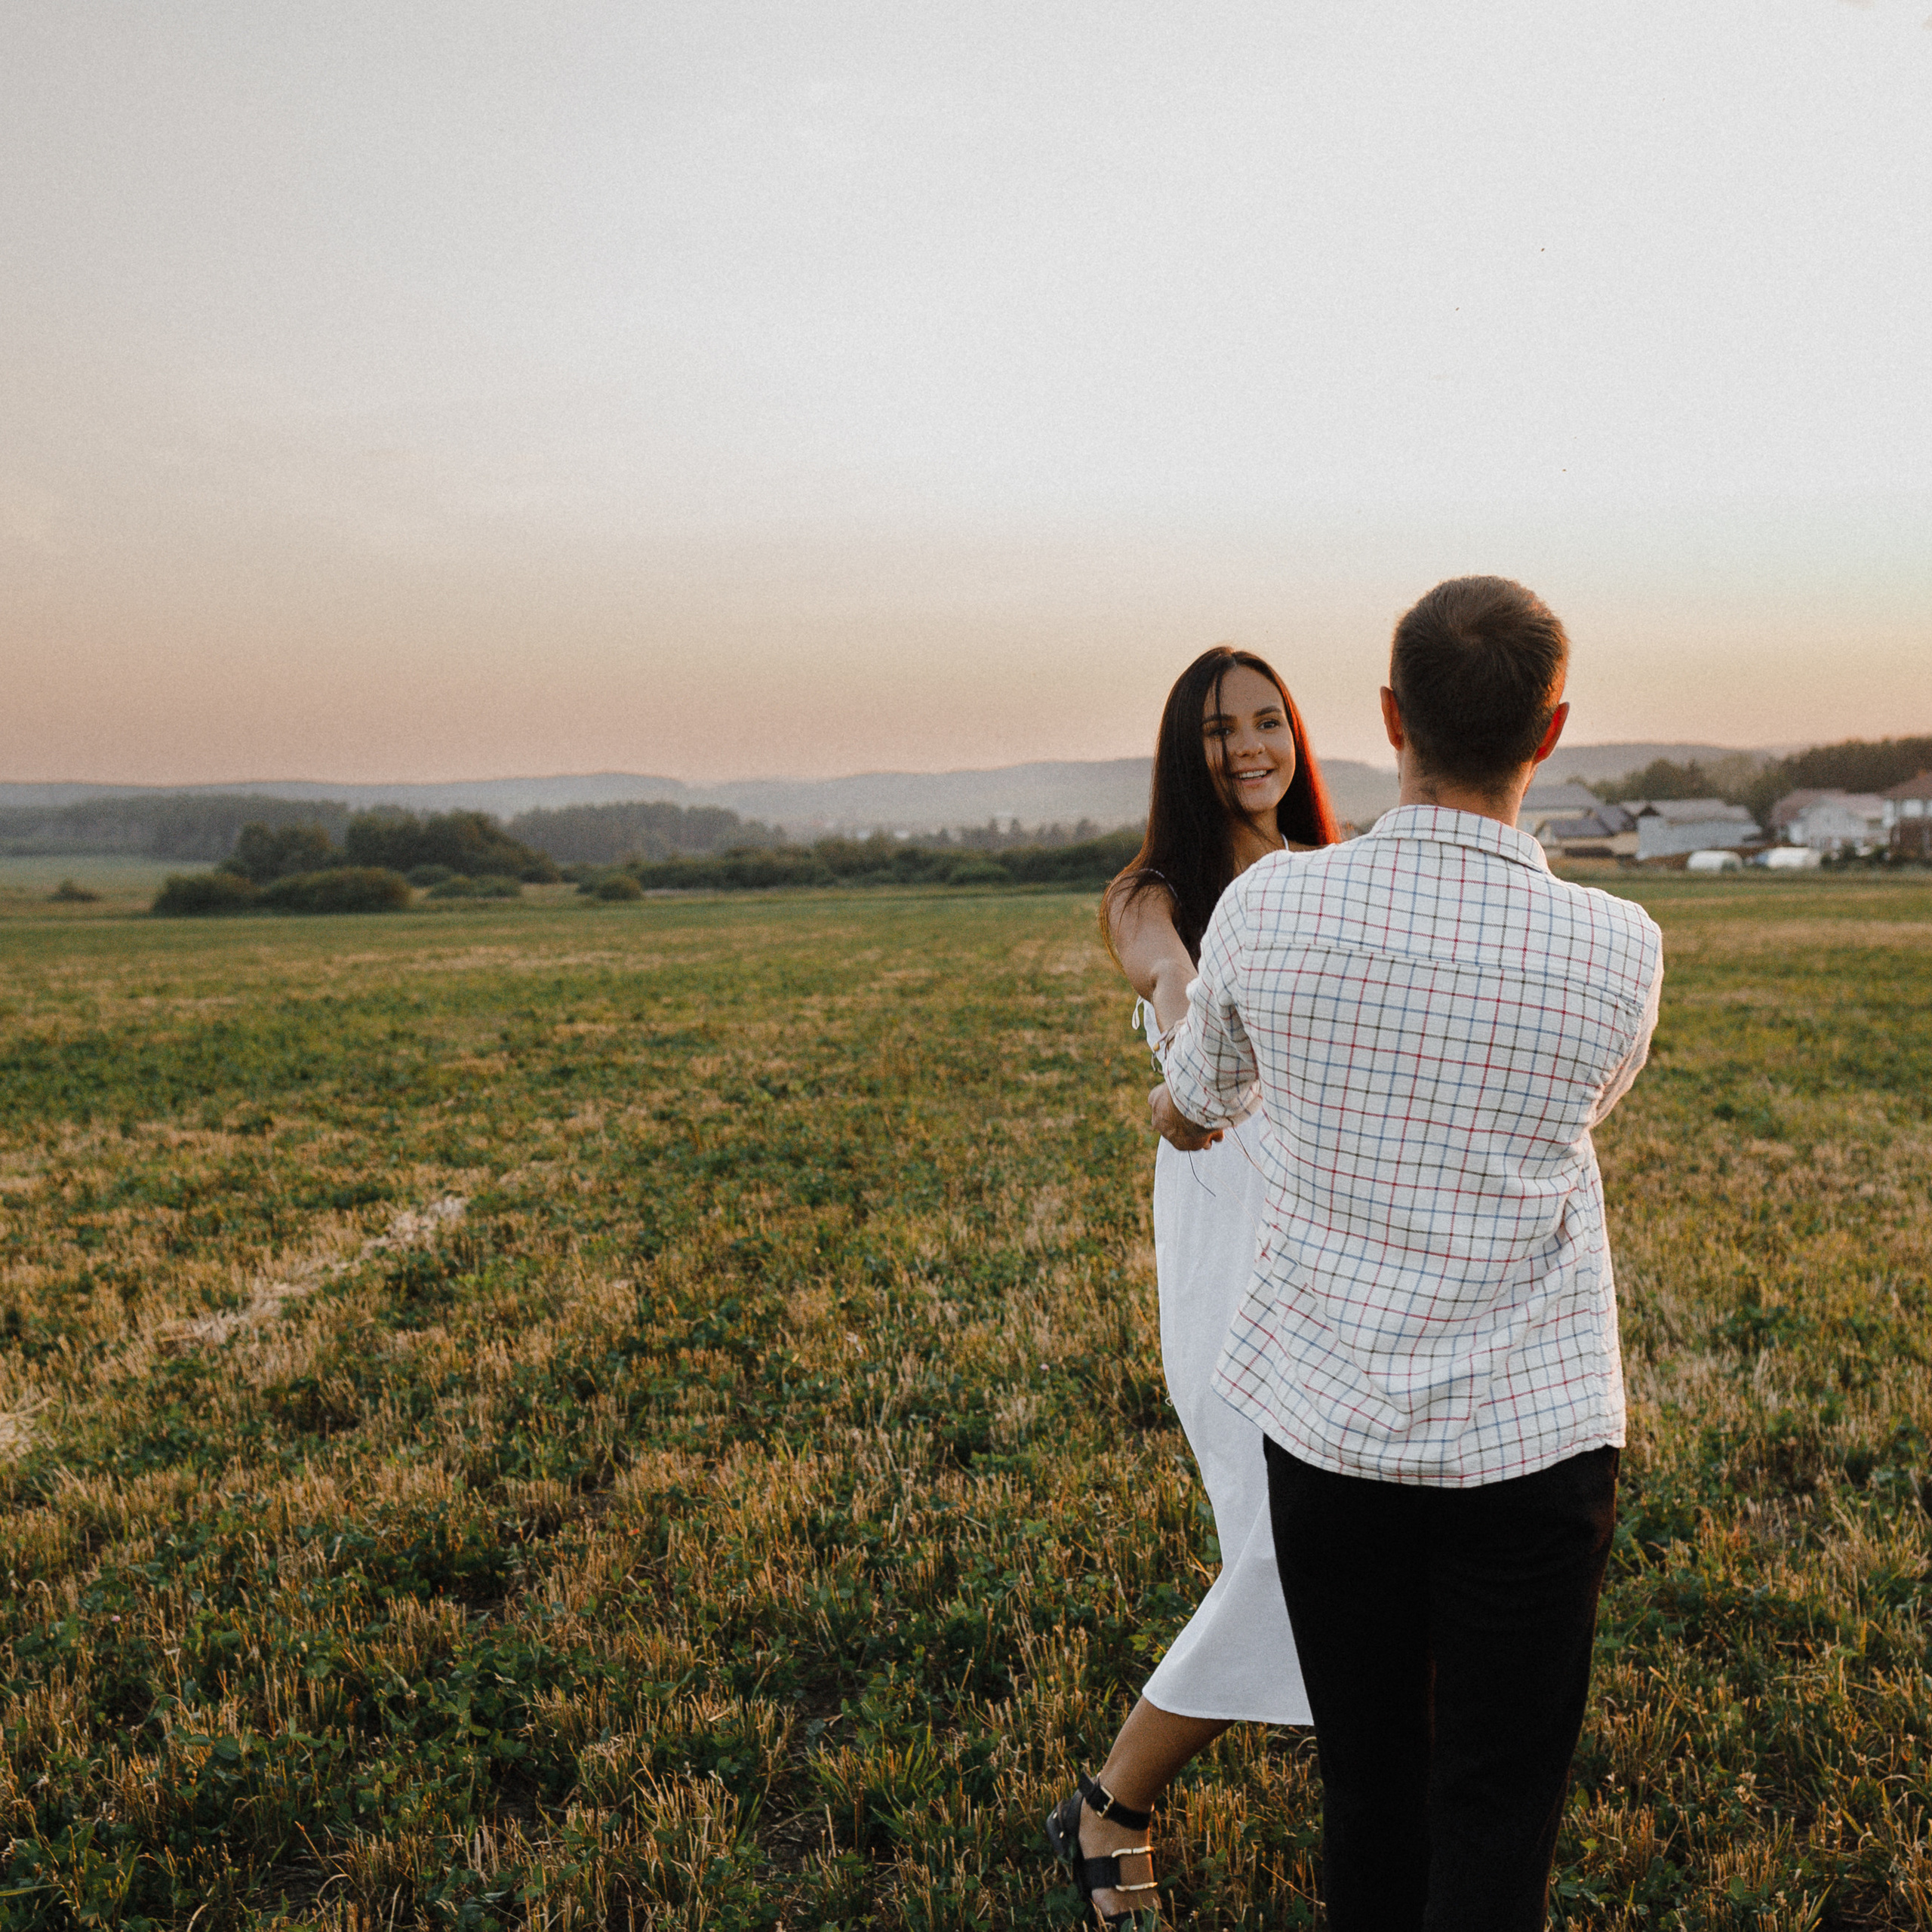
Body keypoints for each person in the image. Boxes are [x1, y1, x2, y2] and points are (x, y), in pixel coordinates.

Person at [1152, 577, 1663, 1930]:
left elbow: (1201, 1104)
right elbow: (1581, 1111)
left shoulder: (1269, 913)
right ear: (1550, 733)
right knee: (1499, 1801)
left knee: (1370, 1786)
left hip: (1331, 1432)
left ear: (1387, 718)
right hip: (1534, 1440)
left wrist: (1173, 1074)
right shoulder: (1622, 947)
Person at [1045, 645, 1340, 1927]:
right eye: (1224, 731)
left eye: (1271, 723)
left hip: (1341, 1240)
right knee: (1284, 1542)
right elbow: (1170, 977)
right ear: (1189, 749)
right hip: (1231, 1249)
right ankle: (1112, 1805)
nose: (1253, 748)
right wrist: (1189, 1030)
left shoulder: (1334, 879)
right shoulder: (1155, 893)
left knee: (1352, 1533)